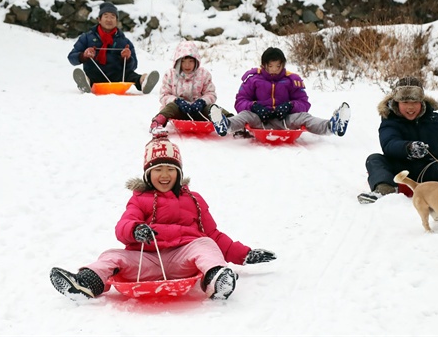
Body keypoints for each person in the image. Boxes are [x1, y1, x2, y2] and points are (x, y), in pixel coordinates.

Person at [49, 133, 276, 301]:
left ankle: (216, 279)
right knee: (111, 255)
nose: (164, 175)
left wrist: (245, 255)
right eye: (157, 170)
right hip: (145, 261)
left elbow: (214, 234)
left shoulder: (194, 199)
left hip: (182, 259)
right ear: (148, 174)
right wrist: (135, 229)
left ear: (179, 173)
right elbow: (122, 226)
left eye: (170, 169)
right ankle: (85, 284)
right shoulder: (139, 198)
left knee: (205, 244)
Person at [358, 76, 438, 204]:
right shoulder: (390, 121)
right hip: (400, 171)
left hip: (430, 170)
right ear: (397, 103)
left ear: (422, 102)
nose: (410, 107)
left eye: (415, 102)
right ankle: (385, 189)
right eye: (405, 103)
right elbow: (389, 143)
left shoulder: (436, 121)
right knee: (374, 159)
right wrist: (408, 148)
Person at [209, 47, 350, 138]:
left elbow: (304, 103)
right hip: (260, 119)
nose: (274, 69)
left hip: (285, 119)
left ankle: (332, 126)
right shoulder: (253, 79)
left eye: (278, 66)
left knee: (304, 117)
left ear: (283, 65)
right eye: (270, 66)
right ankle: (225, 125)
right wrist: (254, 106)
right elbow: (240, 101)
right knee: (244, 115)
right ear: (263, 65)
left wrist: (289, 106)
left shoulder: (291, 80)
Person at [67, 2, 159, 94]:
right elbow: (71, 57)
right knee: (89, 76)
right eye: (106, 16)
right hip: (95, 75)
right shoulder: (87, 37)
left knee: (132, 76)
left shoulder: (124, 41)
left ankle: (144, 81)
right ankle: (85, 83)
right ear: (99, 19)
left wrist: (127, 58)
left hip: (118, 76)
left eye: (112, 17)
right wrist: (84, 55)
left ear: (117, 21)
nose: (109, 20)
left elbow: (134, 66)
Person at [149, 41, 233, 132]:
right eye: (183, 61)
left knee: (212, 108)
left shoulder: (203, 74)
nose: (187, 65)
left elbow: (211, 93)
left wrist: (202, 101)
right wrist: (176, 101)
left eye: (190, 61)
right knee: (171, 107)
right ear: (178, 62)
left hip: (199, 111)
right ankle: (157, 123)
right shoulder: (170, 75)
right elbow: (164, 95)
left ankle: (232, 121)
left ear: (196, 61)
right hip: (179, 111)